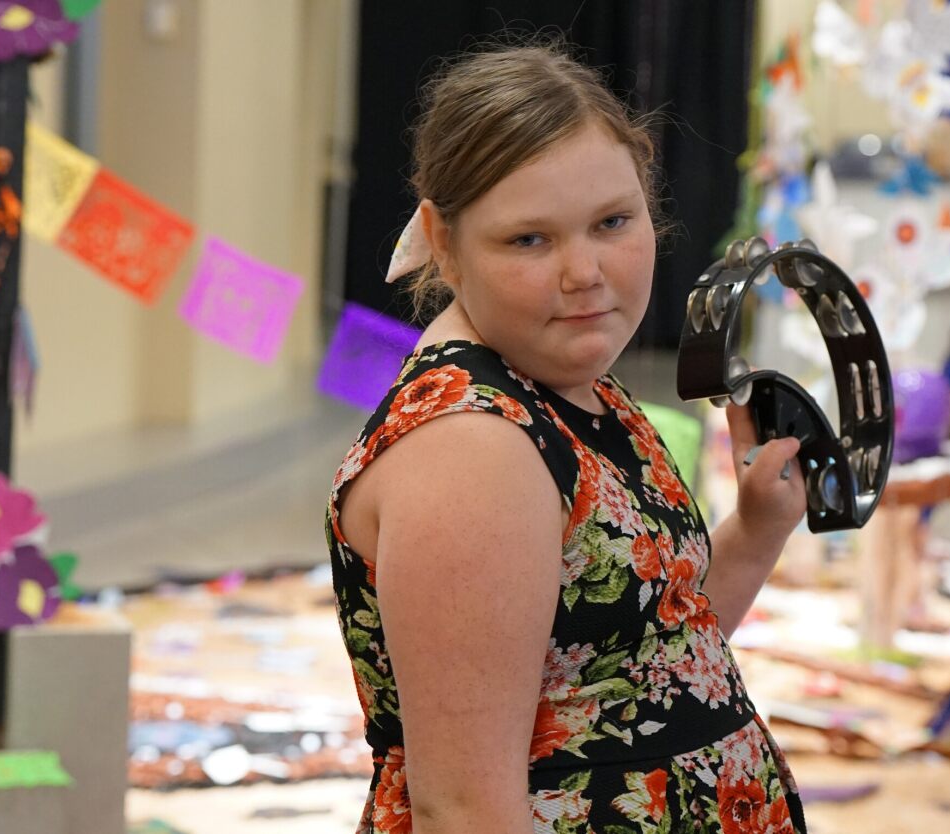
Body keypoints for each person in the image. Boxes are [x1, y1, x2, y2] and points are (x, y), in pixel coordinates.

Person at [327, 42, 810, 834]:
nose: (584, 271)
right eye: (530, 240)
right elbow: (465, 809)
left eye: (612, 222)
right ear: (442, 243)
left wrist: (756, 533)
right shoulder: (473, 448)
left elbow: (644, 670)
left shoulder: (568, 383)